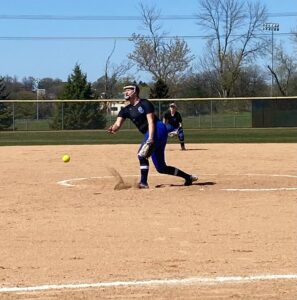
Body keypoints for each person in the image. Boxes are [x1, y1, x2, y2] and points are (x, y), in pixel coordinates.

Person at [107, 84, 198, 189]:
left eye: (128, 90)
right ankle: (188, 177)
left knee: (141, 155)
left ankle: (143, 183)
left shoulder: (145, 103)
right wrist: (113, 128)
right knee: (161, 168)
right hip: (152, 132)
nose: (125, 92)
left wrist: (150, 138)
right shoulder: (125, 110)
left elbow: (151, 121)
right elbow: (117, 124)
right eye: (125, 91)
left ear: (135, 92)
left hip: (157, 128)